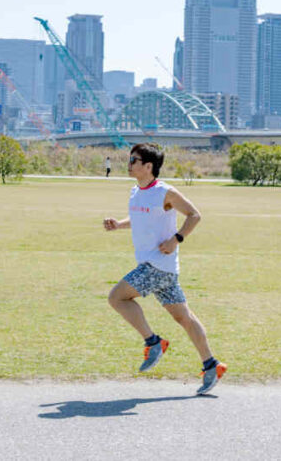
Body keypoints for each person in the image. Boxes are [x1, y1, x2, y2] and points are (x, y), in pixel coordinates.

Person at [102, 143, 227, 395]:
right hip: (161, 268)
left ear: (149, 166)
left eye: (134, 159)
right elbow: (140, 220)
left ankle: (153, 342)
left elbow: (194, 215)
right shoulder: (136, 191)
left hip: (157, 265)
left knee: (117, 297)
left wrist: (176, 239)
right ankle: (211, 365)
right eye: (130, 158)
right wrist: (118, 225)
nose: (129, 163)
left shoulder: (165, 192)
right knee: (184, 317)